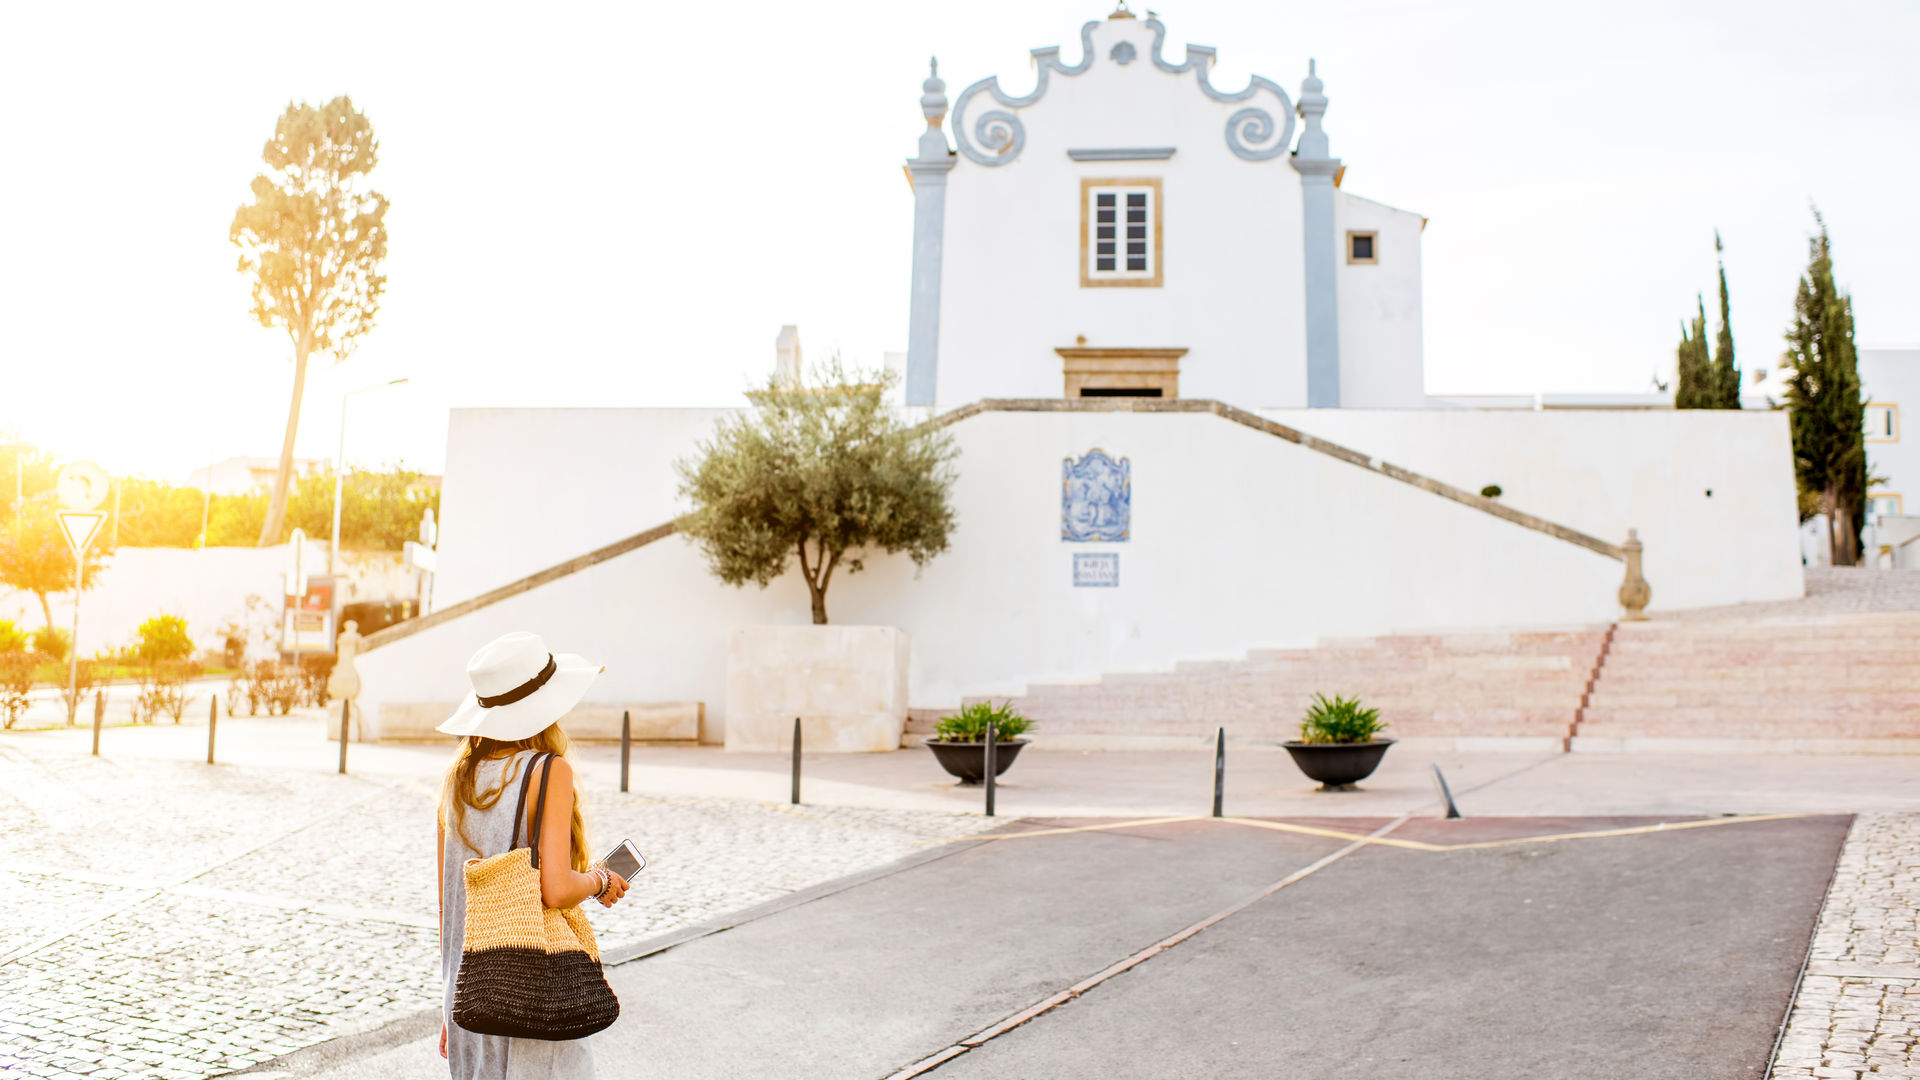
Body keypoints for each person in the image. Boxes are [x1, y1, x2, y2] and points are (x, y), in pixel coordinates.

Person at [436, 632, 630, 1078]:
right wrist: (600, 879)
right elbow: (557, 888)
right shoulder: (548, 771)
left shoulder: (457, 780)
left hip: (472, 995)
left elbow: (450, 905)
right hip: (532, 990)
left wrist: (447, 1005)